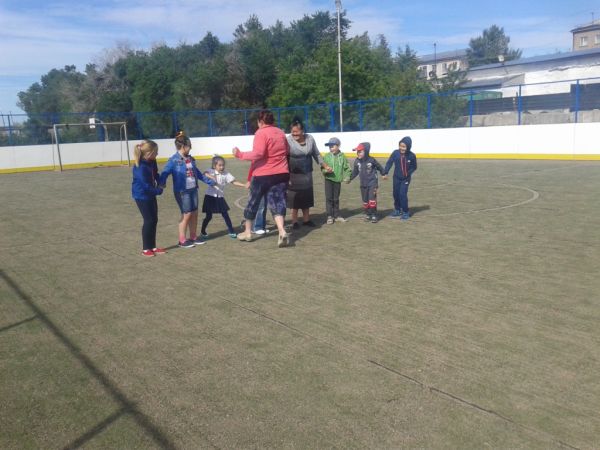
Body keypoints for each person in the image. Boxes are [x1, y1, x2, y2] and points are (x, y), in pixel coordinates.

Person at [233, 109, 291, 248]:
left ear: (260, 121)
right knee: (278, 203)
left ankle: (248, 232)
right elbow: (288, 151)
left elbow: (258, 153)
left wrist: (240, 154)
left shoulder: (261, 133)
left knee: (253, 202)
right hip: (281, 173)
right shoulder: (280, 133)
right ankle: (281, 231)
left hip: (263, 174)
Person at [159, 131, 214, 248]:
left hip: (193, 189)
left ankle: (193, 237)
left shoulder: (190, 159)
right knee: (187, 214)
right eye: (189, 146)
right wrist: (162, 183)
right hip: (182, 191)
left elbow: (197, 173)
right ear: (183, 146)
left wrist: (209, 181)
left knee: (194, 213)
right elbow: (165, 172)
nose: (191, 148)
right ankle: (182, 240)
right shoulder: (173, 160)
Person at [286, 119, 331, 229]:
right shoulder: (288, 140)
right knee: (294, 198)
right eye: (292, 131)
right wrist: (285, 174)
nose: (294, 134)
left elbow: (316, 154)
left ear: (302, 131)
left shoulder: (310, 138)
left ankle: (306, 220)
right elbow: (284, 157)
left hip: (307, 174)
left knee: (307, 196)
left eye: (296, 131)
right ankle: (294, 221)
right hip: (293, 174)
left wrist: (325, 166)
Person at [131, 139, 166, 257]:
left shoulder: (152, 161)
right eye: (156, 152)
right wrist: (158, 190)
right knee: (148, 220)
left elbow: (155, 174)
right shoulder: (140, 167)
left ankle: (153, 246)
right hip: (141, 195)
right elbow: (145, 186)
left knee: (154, 219)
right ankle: (146, 249)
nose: (157, 154)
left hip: (150, 194)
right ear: (148, 153)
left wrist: (160, 181)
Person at [201, 155, 246, 238]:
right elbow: (204, 173)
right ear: (214, 165)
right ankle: (203, 231)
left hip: (220, 197)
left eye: (223, 165)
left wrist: (244, 185)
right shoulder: (211, 171)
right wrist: (211, 176)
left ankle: (231, 231)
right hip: (210, 197)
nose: (222, 167)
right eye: (219, 165)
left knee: (225, 214)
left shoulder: (226, 174)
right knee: (208, 216)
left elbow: (234, 182)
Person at [349, 142, 386, 223]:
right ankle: (368, 214)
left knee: (372, 200)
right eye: (357, 152)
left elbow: (379, 167)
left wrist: (383, 174)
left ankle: (374, 215)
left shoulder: (371, 160)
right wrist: (350, 178)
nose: (358, 153)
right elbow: (355, 172)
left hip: (372, 183)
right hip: (363, 184)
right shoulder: (357, 161)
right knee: (365, 201)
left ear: (366, 151)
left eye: (360, 151)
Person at [384, 136, 417, 220]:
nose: (402, 148)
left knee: (402, 194)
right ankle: (397, 210)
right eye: (400, 146)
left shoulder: (412, 156)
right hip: (396, 177)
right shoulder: (395, 153)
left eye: (404, 146)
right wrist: (385, 172)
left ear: (408, 147)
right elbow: (389, 162)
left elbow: (414, 167)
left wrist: (408, 173)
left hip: (405, 179)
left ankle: (405, 212)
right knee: (395, 194)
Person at [322, 137, 352, 225]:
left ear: (338, 146)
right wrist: (326, 170)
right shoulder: (326, 156)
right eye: (329, 147)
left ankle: (337, 215)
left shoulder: (342, 157)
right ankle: (329, 216)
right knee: (329, 198)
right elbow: (322, 168)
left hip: (337, 181)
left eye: (332, 146)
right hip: (328, 180)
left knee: (336, 198)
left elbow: (347, 168)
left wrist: (347, 177)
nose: (331, 148)